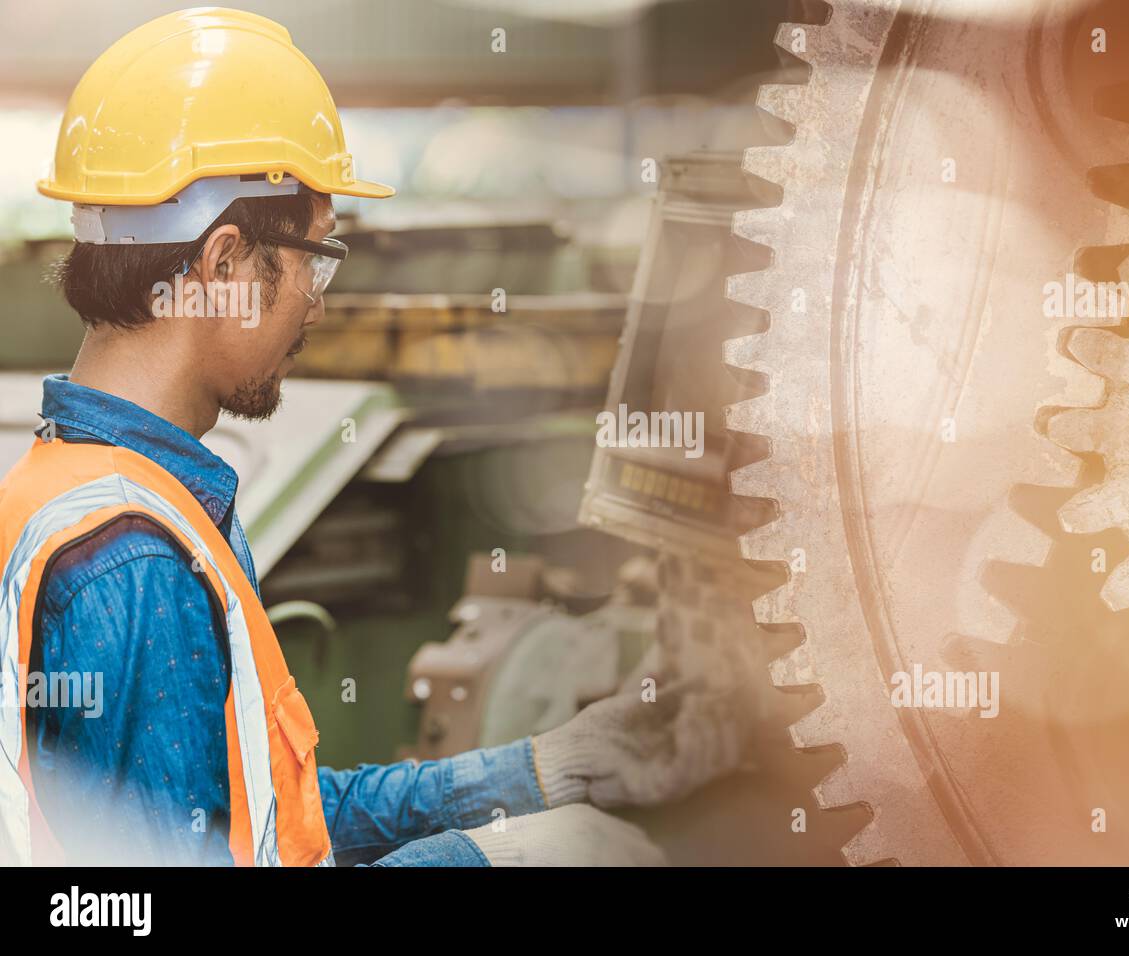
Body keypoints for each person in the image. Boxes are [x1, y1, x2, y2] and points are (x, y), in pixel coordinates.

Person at [0, 7, 742, 867]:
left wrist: (538, 771)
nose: (318, 297)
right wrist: (503, 860)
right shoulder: (134, 559)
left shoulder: (68, 489)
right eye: (316, 256)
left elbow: (272, 824)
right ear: (226, 264)